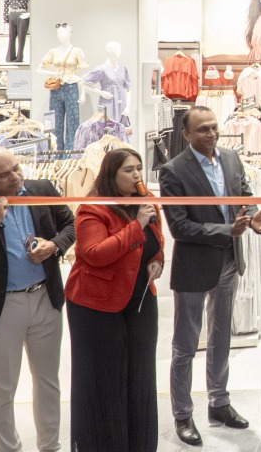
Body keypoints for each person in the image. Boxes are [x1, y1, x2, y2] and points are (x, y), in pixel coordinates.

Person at [160, 106, 261, 446]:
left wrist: (252, 217)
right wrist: (229, 229)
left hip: (229, 260)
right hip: (195, 265)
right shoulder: (173, 172)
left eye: (213, 128)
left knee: (221, 336)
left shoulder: (230, 158)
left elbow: (243, 196)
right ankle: (183, 414)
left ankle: (219, 402)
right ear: (186, 133)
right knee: (185, 346)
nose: (211, 134)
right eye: (202, 130)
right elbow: (179, 226)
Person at [0, 147, 75, 452]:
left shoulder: (42, 189)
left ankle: (50, 446)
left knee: (48, 381)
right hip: (1, 307)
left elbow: (71, 225)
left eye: (16, 168)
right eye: (3, 174)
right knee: (3, 388)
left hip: (46, 299)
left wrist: (54, 245)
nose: (15, 177)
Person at [65, 148, 164, 452]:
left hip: (140, 300)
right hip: (96, 306)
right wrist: (137, 225)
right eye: (128, 170)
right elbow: (94, 254)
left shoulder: (145, 200)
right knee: (104, 379)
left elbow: (156, 244)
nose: (136, 175)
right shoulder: (93, 208)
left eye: (138, 168)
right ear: (111, 173)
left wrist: (158, 261)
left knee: (140, 377)